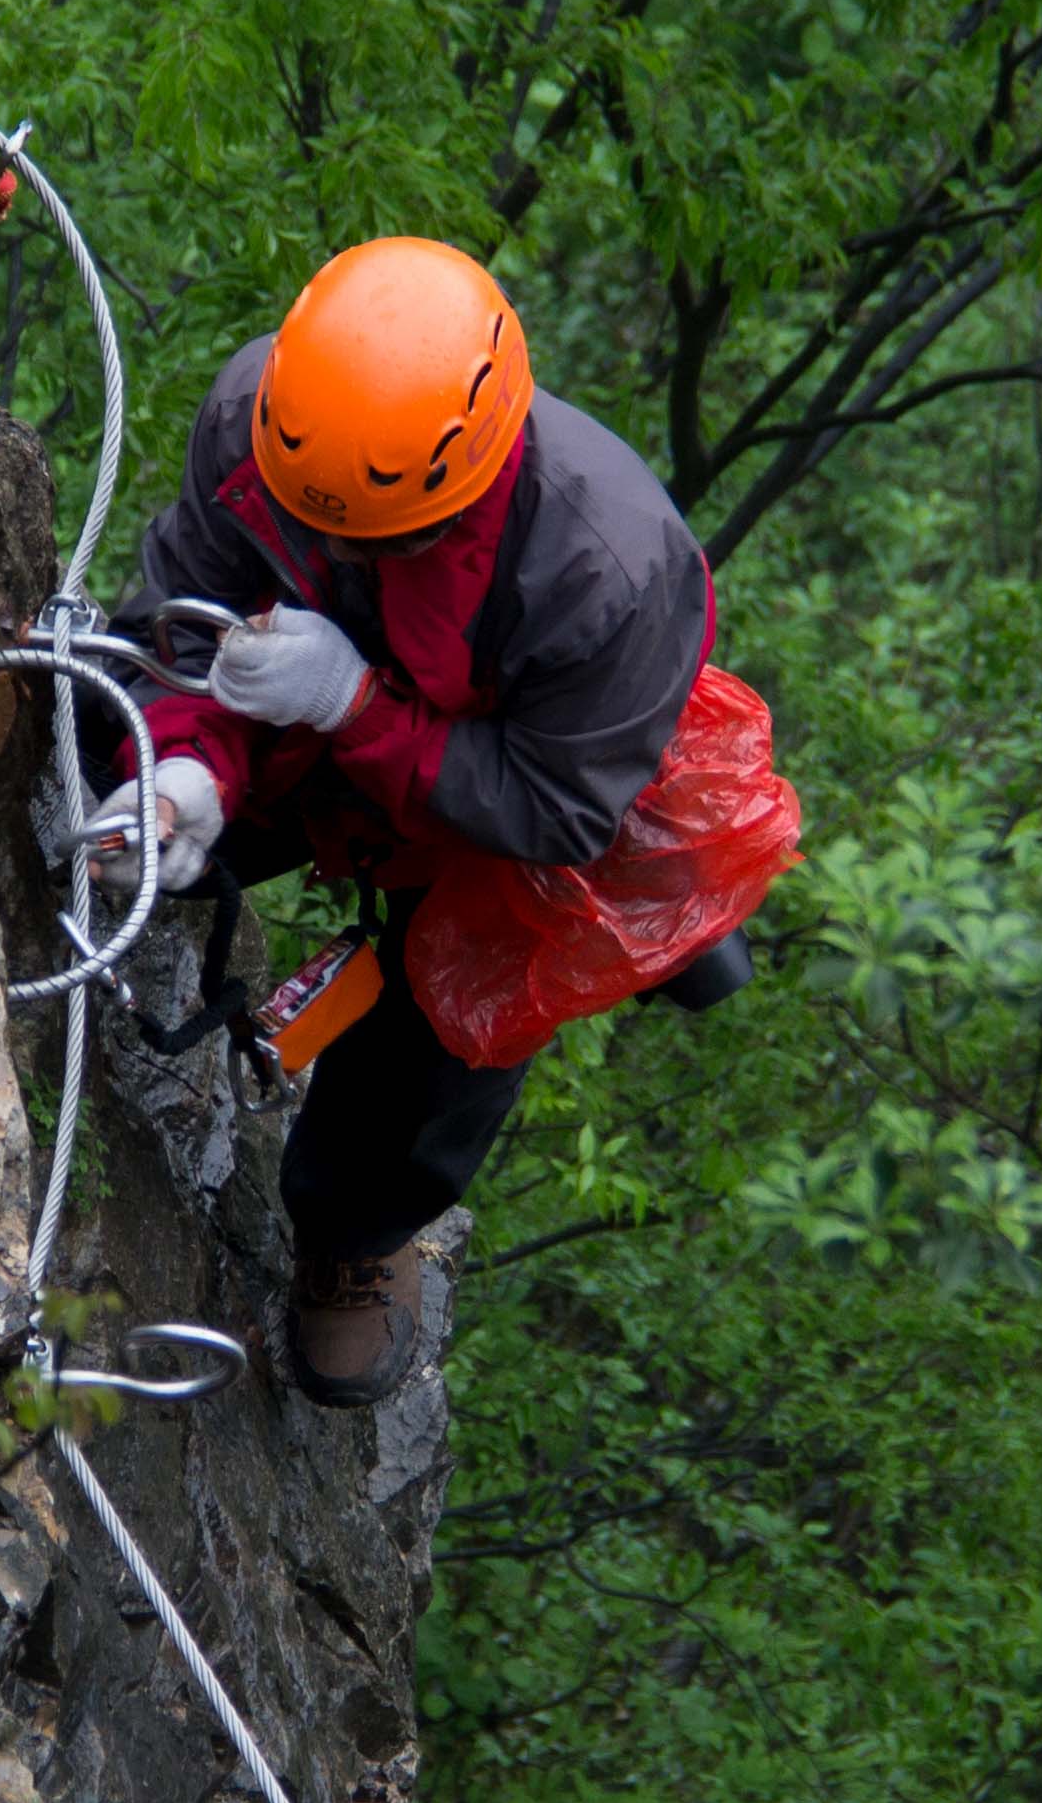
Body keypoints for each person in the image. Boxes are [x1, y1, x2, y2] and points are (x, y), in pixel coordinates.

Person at [85, 239, 757, 1406]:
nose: (339, 550)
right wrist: (182, 771)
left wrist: (355, 703)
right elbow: (185, 622)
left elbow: (554, 811)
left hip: (509, 789)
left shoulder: (609, 571)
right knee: (111, 743)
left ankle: (354, 1234)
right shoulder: (265, 421)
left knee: (461, 1013)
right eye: (319, 524)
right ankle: (174, 819)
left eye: (378, 538)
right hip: (309, 728)